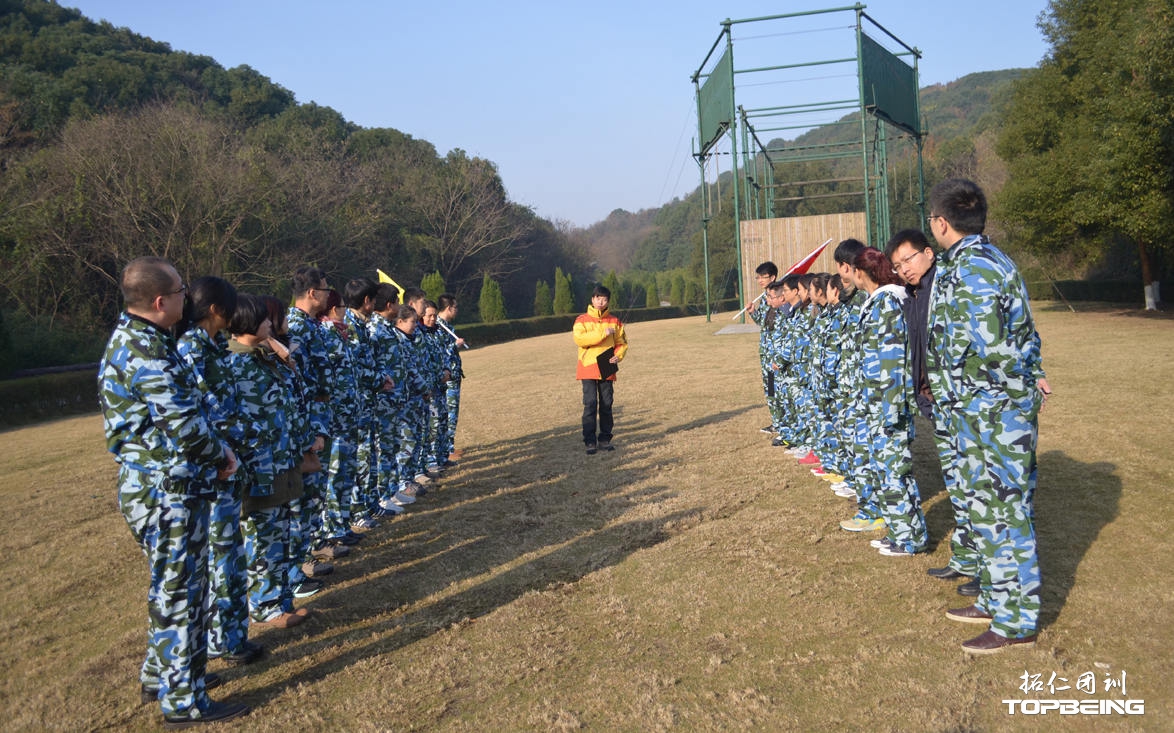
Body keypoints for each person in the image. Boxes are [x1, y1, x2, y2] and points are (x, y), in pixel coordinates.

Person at [98, 256, 250, 726]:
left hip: (170, 487)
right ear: (161, 301)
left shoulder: (148, 341)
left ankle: (160, 674)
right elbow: (185, 425)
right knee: (180, 592)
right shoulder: (145, 351)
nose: (189, 298)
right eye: (182, 291)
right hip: (166, 493)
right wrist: (221, 455)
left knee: (171, 588)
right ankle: (183, 699)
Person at [927, 178, 1050, 654]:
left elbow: (993, 349)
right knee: (985, 510)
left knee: (1003, 512)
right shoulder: (975, 261)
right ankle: (996, 599)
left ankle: (1015, 621)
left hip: (993, 412)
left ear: (941, 223)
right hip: (978, 410)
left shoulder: (975, 267)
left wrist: (1003, 397)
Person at [176, 277, 264, 668]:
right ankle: (224, 641)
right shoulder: (190, 351)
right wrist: (218, 458)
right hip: (213, 474)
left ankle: (230, 636)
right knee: (222, 558)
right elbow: (191, 416)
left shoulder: (213, 348)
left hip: (228, 470)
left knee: (230, 556)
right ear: (216, 310)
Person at [887, 230, 975, 588]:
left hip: (958, 400)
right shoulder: (915, 294)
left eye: (908, 259)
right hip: (935, 402)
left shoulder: (948, 287)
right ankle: (966, 557)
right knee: (957, 485)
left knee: (973, 486)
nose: (904, 269)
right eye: (897, 265)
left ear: (928, 252)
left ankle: (983, 566)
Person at [847, 248, 927, 556]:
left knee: (894, 471)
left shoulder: (887, 303)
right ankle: (900, 531)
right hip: (877, 403)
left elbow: (892, 358)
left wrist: (890, 411)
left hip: (887, 405)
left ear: (860, 273)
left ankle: (909, 538)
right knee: (886, 470)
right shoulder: (877, 302)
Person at [573, 284, 628, 454]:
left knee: (606, 404)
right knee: (590, 403)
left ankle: (605, 439)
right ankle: (589, 441)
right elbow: (579, 339)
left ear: (608, 301)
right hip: (588, 364)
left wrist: (618, 356)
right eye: (598, 298)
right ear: (592, 299)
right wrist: (602, 333)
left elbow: (622, 343)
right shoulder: (581, 320)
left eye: (604, 299)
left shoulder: (615, 321)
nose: (601, 302)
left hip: (607, 365)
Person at [747, 261, 780, 435]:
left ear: (772, 277)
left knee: (776, 388)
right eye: (758, 277)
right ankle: (776, 421)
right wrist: (753, 312)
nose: (760, 280)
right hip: (766, 353)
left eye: (763, 277)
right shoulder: (765, 298)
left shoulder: (778, 297)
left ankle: (781, 423)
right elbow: (763, 322)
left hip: (775, 353)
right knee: (770, 388)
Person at [436, 294, 466, 463]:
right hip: (446, 376)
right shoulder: (438, 327)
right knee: (449, 412)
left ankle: (450, 445)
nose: (457, 311)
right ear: (448, 308)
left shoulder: (447, 326)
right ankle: (447, 449)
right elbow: (439, 352)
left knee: (453, 412)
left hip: (454, 373)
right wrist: (454, 346)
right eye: (455, 307)